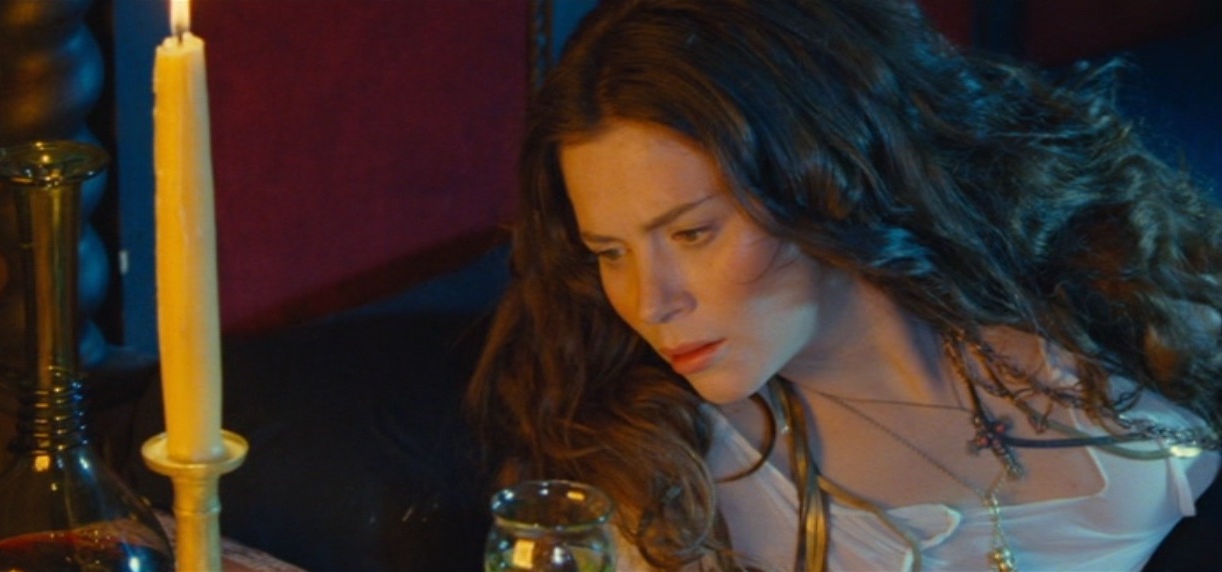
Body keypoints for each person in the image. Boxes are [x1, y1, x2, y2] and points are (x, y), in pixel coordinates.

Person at [467, 0, 1222, 570]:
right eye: (609, 252)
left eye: (692, 233)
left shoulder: (1098, 311)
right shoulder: (657, 482)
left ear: (825, 180)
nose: (648, 301)